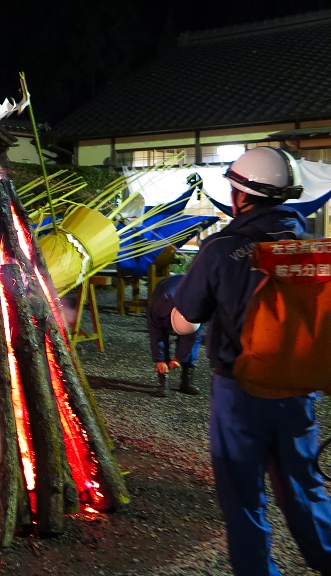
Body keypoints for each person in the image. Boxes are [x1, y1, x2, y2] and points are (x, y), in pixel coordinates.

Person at [173, 146, 331, 575]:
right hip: (299, 389)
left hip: (239, 393)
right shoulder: (311, 247)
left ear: (242, 194)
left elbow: (185, 323)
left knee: (243, 497)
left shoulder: (222, 248)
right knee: (305, 488)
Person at [146, 274, 201, 397]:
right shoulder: (158, 307)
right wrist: (160, 360)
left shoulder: (198, 309)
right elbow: (156, 335)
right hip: (165, 296)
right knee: (160, 338)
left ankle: (187, 381)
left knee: (192, 340)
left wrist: (179, 358)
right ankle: (163, 381)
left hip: (188, 296)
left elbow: (191, 338)